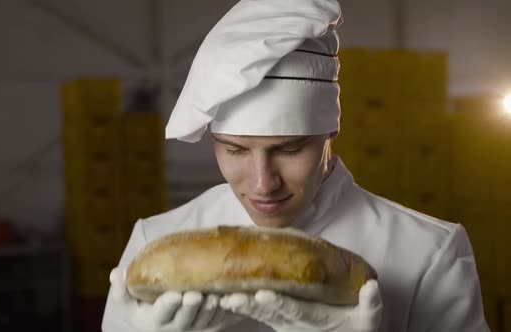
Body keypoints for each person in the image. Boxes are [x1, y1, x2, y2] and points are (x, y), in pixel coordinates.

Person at [101, 0, 490, 331]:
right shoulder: (154, 242)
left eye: (288, 149)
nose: (262, 183)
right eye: (235, 150)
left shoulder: (428, 253)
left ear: (329, 133)